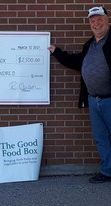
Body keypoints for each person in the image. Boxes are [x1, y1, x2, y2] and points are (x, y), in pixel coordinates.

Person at [48, 6, 111, 183]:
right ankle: (108, 171)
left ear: (107, 20)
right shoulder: (89, 45)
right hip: (94, 100)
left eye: (99, 19)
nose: (96, 23)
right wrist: (57, 53)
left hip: (110, 100)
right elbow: (77, 62)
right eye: (92, 20)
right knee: (101, 139)